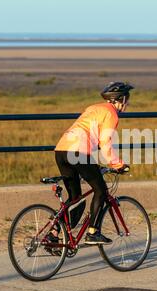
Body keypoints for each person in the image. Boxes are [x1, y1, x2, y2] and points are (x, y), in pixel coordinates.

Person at [54, 82, 133, 244]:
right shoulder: (111, 114)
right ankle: (93, 232)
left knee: (75, 198)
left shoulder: (93, 108)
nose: (128, 103)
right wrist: (118, 164)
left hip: (61, 150)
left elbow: (89, 135)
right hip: (78, 152)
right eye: (126, 99)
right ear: (119, 99)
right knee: (101, 190)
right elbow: (105, 142)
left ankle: (53, 234)